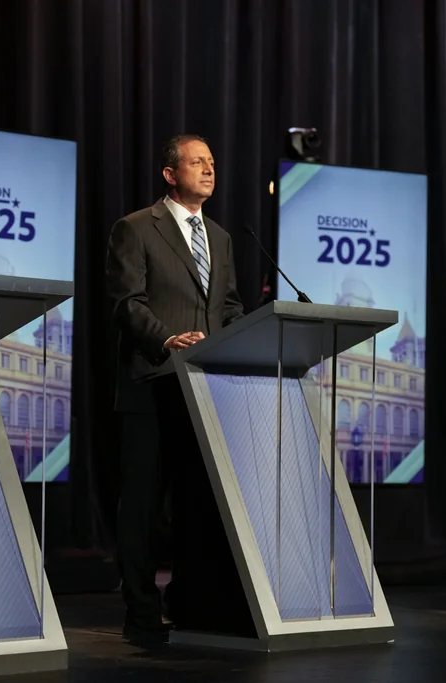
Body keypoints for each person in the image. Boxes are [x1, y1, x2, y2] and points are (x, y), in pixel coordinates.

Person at [105, 134, 248, 643]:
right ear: (170, 174)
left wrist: (244, 337)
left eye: (212, 162)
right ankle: (141, 613)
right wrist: (166, 339)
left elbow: (228, 307)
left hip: (205, 391)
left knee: (197, 505)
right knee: (143, 507)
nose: (209, 170)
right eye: (196, 162)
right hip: (152, 382)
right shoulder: (136, 227)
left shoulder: (221, 238)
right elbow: (127, 302)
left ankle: (191, 603)